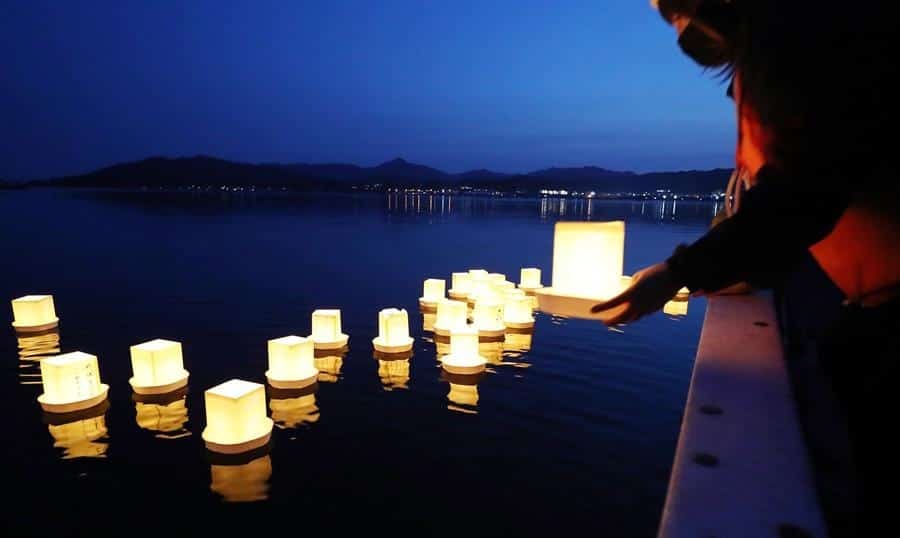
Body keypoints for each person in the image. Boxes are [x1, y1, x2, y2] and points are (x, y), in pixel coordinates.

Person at [591, 1, 899, 535]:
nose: (676, 29)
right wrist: (743, 261)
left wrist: (675, 273)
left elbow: (802, 192)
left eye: (674, 11)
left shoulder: (796, 45)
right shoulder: (783, 53)